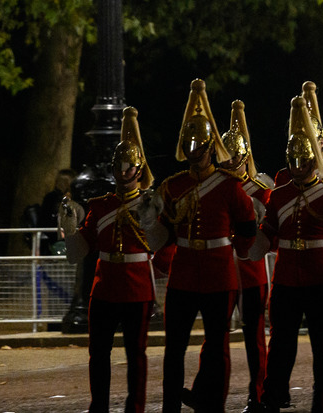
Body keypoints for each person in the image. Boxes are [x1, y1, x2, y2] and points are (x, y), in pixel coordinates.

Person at [250, 95, 323, 413]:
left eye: (303, 161)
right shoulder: (279, 195)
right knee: (281, 345)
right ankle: (272, 398)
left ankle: (321, 402)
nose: (297, 167)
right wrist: (249, 233)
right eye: (293, 161)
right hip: (286, 279)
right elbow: (265, 239)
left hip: (319, 279)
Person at [157, 80, 257, 413]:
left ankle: (212, 404)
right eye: (188, 143)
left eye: (198, 143)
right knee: (174, 348)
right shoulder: (173, 186)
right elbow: (163, 235)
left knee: (216, 346)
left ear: (211, 146)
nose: (192, 149)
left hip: (217, 273)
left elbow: (247, 228)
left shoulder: (229, 186)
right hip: (183, 274)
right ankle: (170, 405)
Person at [63, 106, 166, 413]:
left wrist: (152, 219)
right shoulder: (101, 205)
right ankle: (100, 406)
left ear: (138, 168)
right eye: (118, 166)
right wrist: (69, 227)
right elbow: (78, 251)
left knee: (136, 354)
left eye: (128, 166)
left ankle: (135, 407)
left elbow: (158, 243)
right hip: (105, 284)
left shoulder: (150, 202)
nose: (122, 171)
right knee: (98, 353)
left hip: (136, 284)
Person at [217, 100, 276, 413]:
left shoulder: (260, 189)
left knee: (254, 338)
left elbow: (267, 230)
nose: (230, 164)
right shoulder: (215, 187)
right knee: (216, 336)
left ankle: (258, 393)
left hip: (250, 268)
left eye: (235, 159)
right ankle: (210, 392)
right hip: (221, 267)